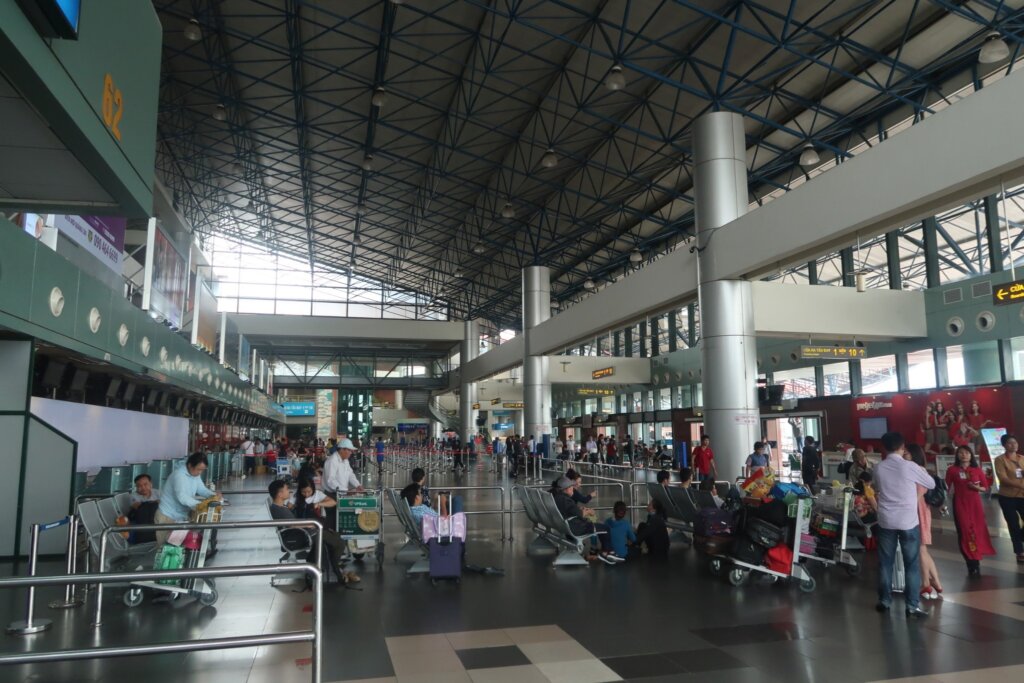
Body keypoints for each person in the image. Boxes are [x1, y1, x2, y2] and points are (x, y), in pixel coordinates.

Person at [872, 432, 934, 618]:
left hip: (886, 521)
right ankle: (911, 606)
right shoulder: (910, 466)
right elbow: (931, 484)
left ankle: (884, 601)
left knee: (885, 563)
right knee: (911, 565)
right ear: (902, 446)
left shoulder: (878, 468)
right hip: (908, 521)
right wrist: (920, 470)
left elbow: (877, 487)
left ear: (884, 448)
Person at [268, 480, 355, 585]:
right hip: (300, 537)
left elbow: (291, 523)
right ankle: (334, 567)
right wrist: (309, 524)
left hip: (301, 533)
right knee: (339, 541)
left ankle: (331, 566)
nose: (289, 491)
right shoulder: (280, 509)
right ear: (280, 494)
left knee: (334, 537)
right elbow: (292, 525)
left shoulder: (279, 507)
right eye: (286, 489)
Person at [945, 445, 996, 576]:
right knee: (965, 532)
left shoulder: (977, 470)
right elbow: (946, 487)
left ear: (971, 455)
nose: (964, 455)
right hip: (960, 503)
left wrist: (976, 488)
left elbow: (985, 487)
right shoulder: (952, 470)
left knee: (977, 531)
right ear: (957, 455)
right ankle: (971, 562)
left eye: (967, 453)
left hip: (975, 505)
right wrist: (941, 503)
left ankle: (976, 559)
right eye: (961, 453)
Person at [155, 453, 221, 547]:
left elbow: (201, 489)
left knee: (179, 547)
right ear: (190, 465)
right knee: (165, 549)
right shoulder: (179, 475)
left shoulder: (194, 474)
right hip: (167, 516)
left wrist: (213, 495)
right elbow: (182, 497)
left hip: (181, 516)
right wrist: (201, 505)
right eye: (198, 469)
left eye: (202, 470)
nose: (200, 472)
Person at [552, 476, 622, 564]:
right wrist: (589, 512)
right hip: (578, 528)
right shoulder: (566, 500)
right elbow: (581, 514)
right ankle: (607, 553)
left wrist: (582, 510)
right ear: (566, 489)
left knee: (600, 526)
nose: (573, 488)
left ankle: (605, 552)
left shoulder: (558, 498)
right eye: (571, 487)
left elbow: (573, 511)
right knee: (605, 528)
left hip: (566, 526)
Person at [905, 444, 942, 600]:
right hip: (921, 509)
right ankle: (936, 582)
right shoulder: (918, 469)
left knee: (920, 548)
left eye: (907, 453)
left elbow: (919, 492)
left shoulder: (917, 470)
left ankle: (926, 582)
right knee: (922, 548)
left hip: (917, 510)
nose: (904, 455)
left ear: (914, 454)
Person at [994, 434, 1024, 564]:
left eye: (1015, 442)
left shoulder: (1022, 458)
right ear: (1004, 445)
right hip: (1007, 497)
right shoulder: (1000, 460)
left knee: (1018, 529)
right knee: (1013, 524)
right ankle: (1019, 551)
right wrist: (1020, 485)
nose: (1014, 445)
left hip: (1022, 496)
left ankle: (1019, 537)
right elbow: (1003, 478)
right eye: (1010, 443)